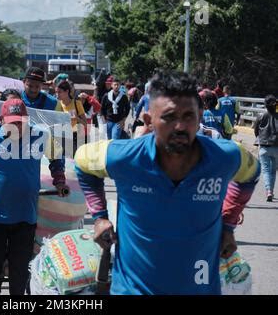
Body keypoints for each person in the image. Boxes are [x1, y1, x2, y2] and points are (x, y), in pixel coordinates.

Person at [74, 70, 260, 295]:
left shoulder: (226, 157)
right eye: (169, 117)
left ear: (199, 117)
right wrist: (99, 217)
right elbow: (82, 162)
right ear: (149, 121)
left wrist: (228, 225)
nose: (180, 126)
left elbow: (252, 174)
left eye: (188, 116)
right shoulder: (123, 157)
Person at [0, 99, 69, 295]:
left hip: (25, 214)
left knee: (20, 266)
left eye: (20, 121)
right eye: (12, 121)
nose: (16, 126)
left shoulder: (40, 136)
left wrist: (59, 179)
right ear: (1, 119)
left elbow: (57, 155)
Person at [254, 95, 278, 202]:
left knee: (266, 171)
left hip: (264, 146)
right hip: (276, 147)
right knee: (273, 171)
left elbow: (255, 130)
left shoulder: (260, 115)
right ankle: (271, 191)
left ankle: (268, 191)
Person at [56, 81, 88, 156]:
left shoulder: (77, 103)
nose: (57, 95)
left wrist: (76, 118)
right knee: (61, 161)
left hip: (75, 137)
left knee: (76, 157)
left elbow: (85, 124)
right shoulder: (57, 103)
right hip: (62, 136)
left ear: (67, 91)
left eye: (59, 92)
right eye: (56, 92)